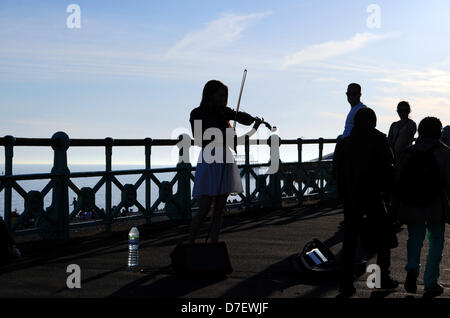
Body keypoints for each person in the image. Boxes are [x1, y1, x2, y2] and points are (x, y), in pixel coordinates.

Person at [333, 107, 398, 297]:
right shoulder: (378, 140)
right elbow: (388, 168)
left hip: (351, 199)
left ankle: (346, 284)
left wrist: (345, 196)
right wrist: (389, 194)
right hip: (373, 197)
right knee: (382, 242)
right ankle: (379, 279)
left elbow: (337, 172)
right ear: (374, 121)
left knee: (350, 241)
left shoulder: (344, 143)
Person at [188, 80, 263, 244]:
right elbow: (200, 139)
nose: (223, 99)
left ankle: (214, 242)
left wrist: (254, 126)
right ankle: (190, 243)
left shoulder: (224, 112)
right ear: (210, 94)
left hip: (225, 158)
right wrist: (221, 132)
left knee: (219, 208)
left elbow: (240, 124)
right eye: (220, 95)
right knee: (205, 206)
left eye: (225, 96)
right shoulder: (197, 113)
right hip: (209, 158)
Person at [395, 117, 450, 297]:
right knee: (435, 241)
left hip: (412, 205)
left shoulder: (408, 152)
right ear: (439, 132)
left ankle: (412, 268)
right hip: (435, 205)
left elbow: (398, 179)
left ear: (419, 131)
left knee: (415, 238)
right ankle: (430, 282)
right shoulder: (444, 152)